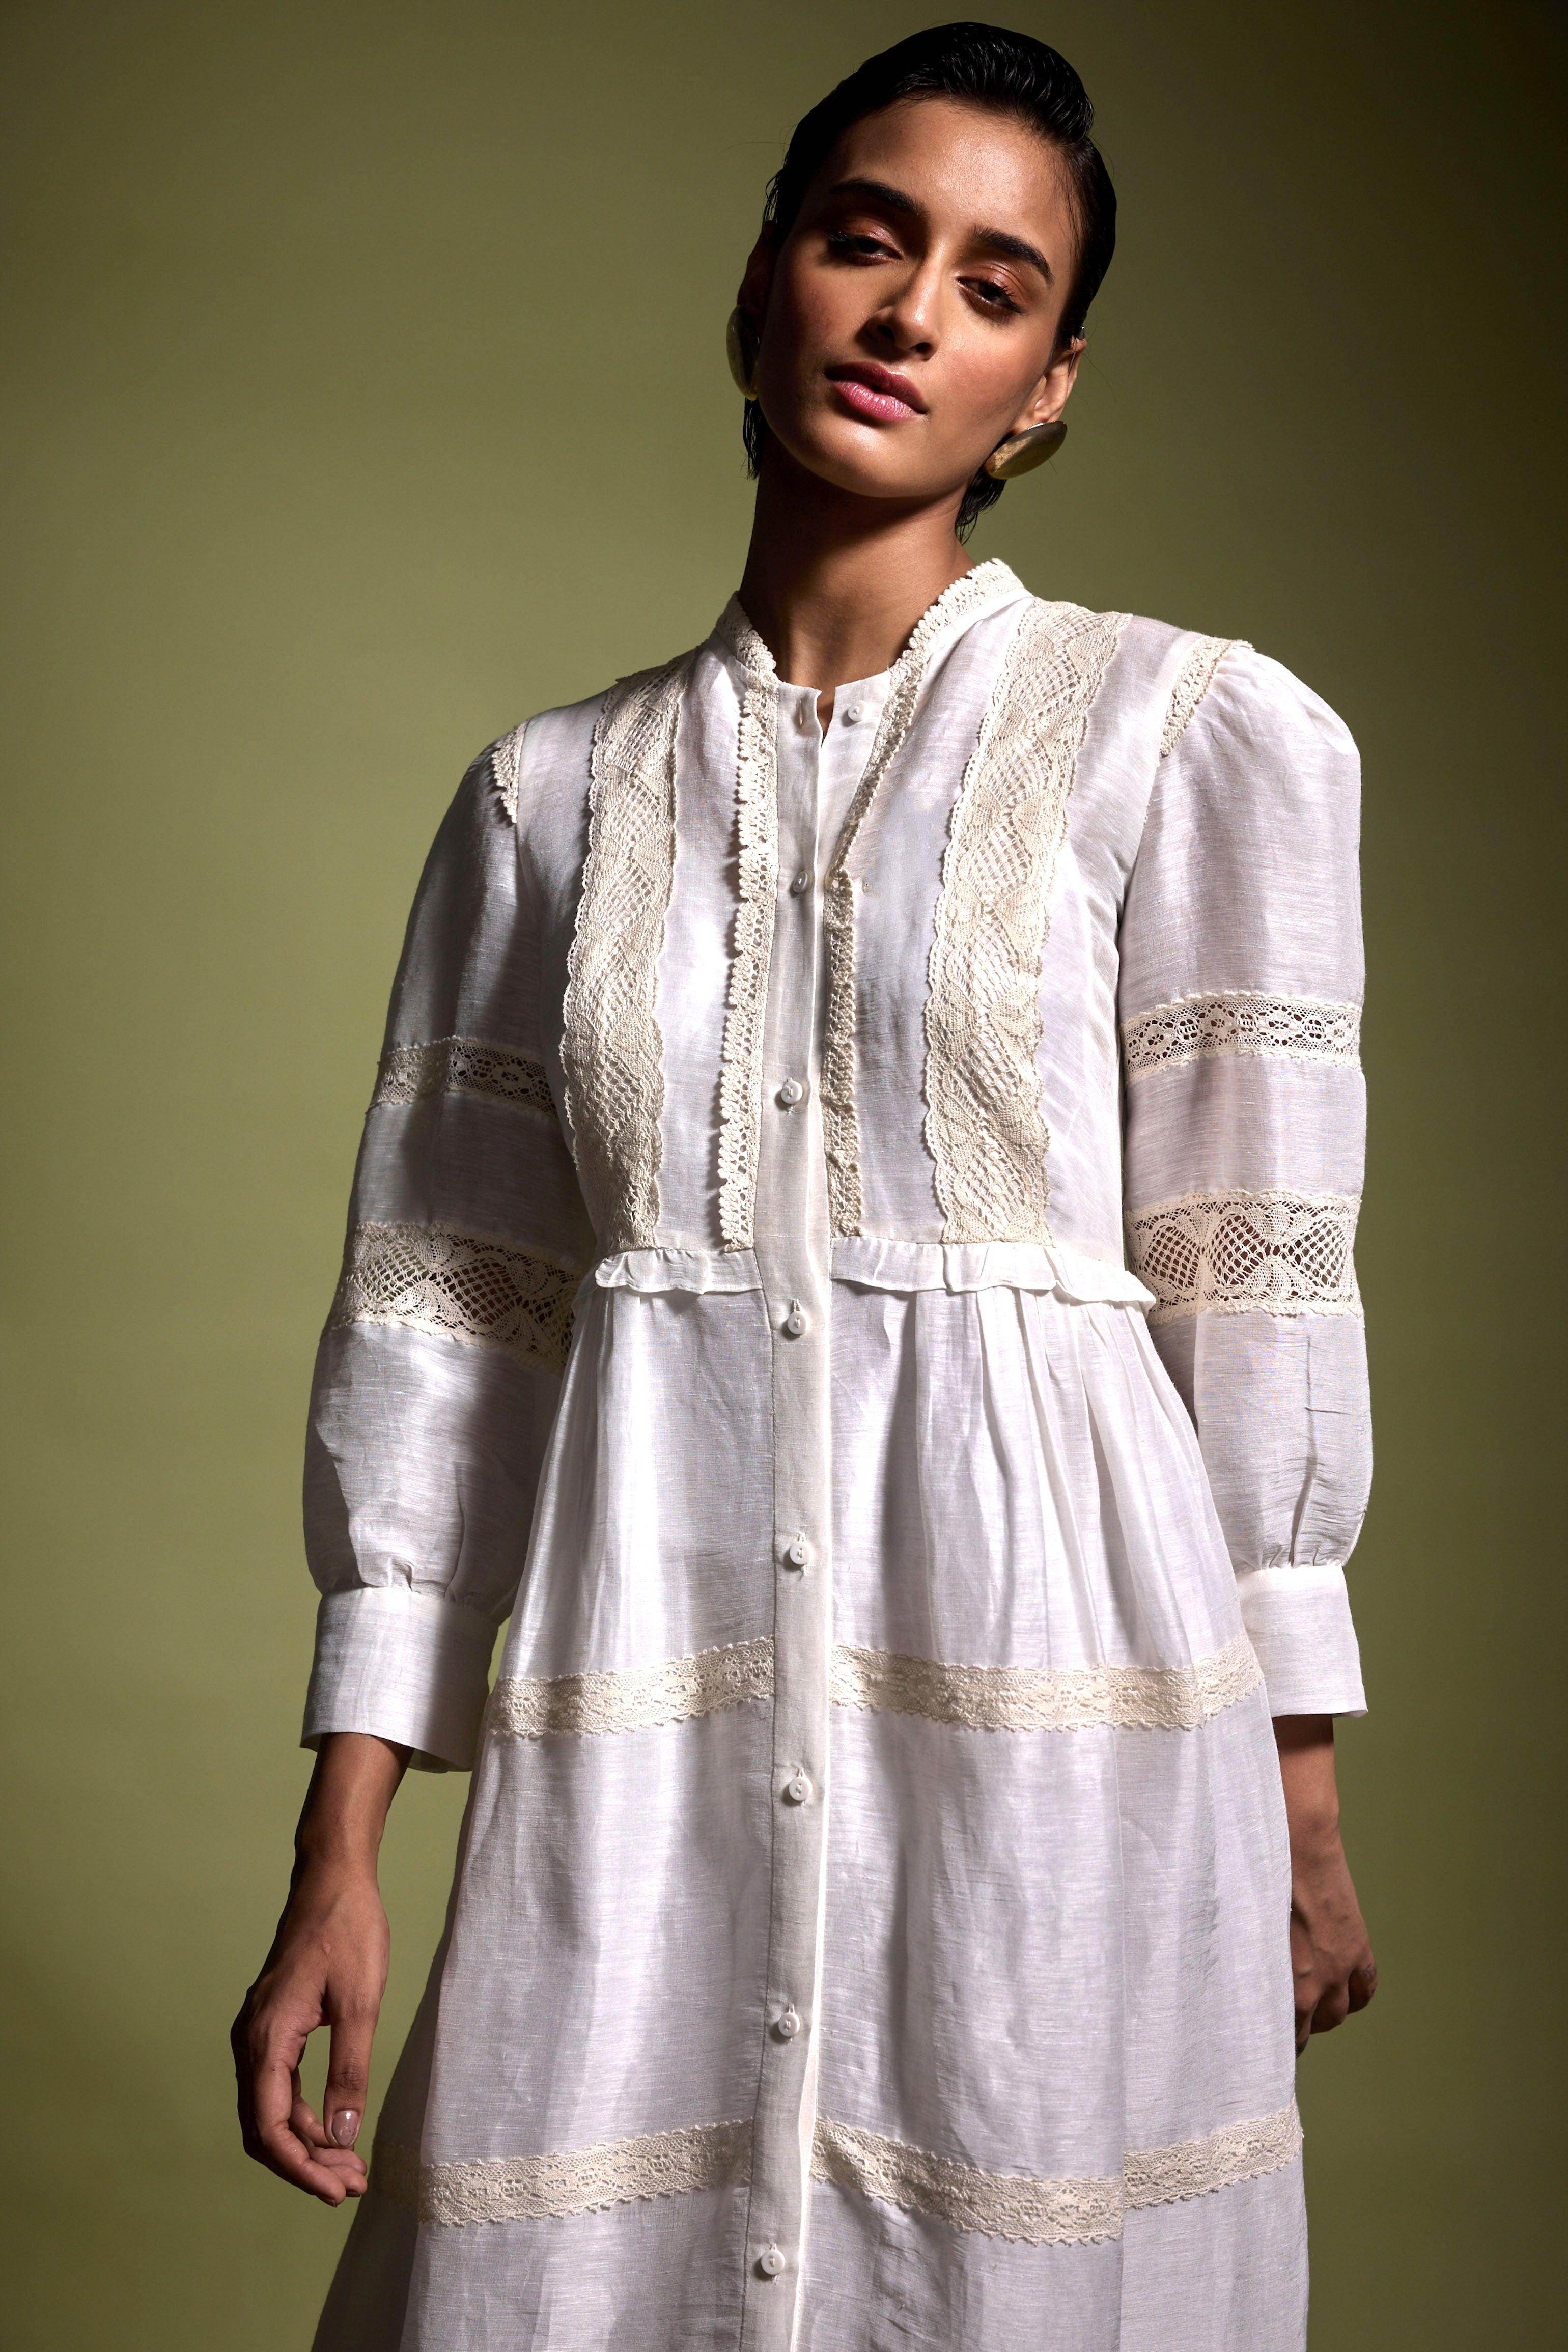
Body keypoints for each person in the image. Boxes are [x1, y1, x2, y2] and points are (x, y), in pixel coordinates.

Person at [233, 23, 1377, 2349]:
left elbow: (1251, 1282)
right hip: (638, 1723)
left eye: (992, 285)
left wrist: (1302, 1792)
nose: (910, 313)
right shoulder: (545, 806)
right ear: (760, 281)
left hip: (1060, 1728)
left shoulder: (1181, 736)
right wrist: (339, 1850)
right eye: (868, 240)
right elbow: (443, 1327)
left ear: (1045, 388)